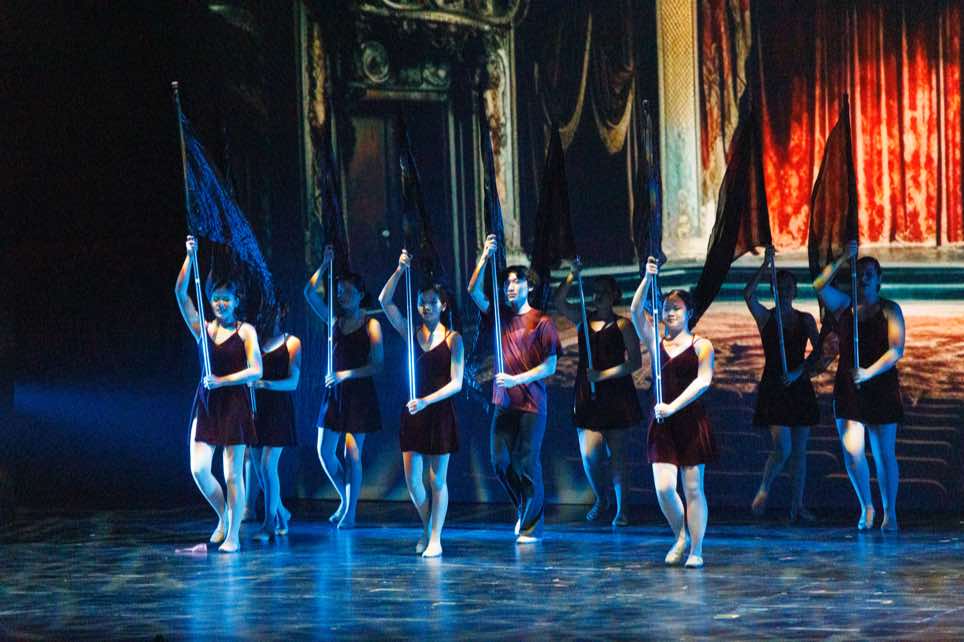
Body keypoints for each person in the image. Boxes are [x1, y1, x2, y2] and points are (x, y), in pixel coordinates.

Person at [468, 234, 560, 543]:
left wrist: (516, 380)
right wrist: (485, 256)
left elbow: (550, 367)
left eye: (516, 282)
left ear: (528, 286)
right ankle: (523, 504)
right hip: (504, 402)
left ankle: (533, 526)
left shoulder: (542, 322)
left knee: (526, 464)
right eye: (507, 282)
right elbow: (473, 292)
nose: (510, 286)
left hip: (532, 405)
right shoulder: (500, 316)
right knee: (500, 463)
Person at [175, 235, 263, 553]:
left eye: (226, 299)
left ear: (236, 301)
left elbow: (256, 370)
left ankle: (233, 535)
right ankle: (225, 515)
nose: (220, 303)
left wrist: (223, 380)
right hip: (207, 403)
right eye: (215, 298)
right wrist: (190, 257)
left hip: (234, 404)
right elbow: (180, 293)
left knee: (232, 475)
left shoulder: (246, 331)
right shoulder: (204, 329)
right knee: (199, 468)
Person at [630, 257, 717, 568]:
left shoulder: (702, 345)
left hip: (690, 422)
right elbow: (635, 312)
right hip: (662, 423)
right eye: (667, 308)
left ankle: (696, 549)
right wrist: (647, 277)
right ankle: (681, 534)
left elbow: (703, 381)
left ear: (689, 312)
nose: (670, 313)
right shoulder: (656, 341)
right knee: (665, 489)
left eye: (676, 308)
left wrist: (673, 406)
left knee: (693, 488)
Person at [814, 241, 905, 531]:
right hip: (849, 385)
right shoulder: (845, 306)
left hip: (880, 384)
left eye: (869, 274)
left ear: (878, 280)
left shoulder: (890, 309)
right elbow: (819, 284)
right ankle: (866, 506)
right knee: (853, 452)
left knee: (883, 453)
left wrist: (868, 373)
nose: (864, 278)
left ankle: (890, 512)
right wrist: (844, 257)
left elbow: (896, 350)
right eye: (860, 273)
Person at [379, 250, 464, 557]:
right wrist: (400, 270)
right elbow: (384, 301)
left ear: (443, 305)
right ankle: (427, 526)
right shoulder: (410, 332)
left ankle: (435, 537)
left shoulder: (453, 339)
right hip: (414, 412)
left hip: (438, 412)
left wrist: (427, 400)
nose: (426, 306)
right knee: (414, 482)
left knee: (436, 479)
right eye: (422, 301)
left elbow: (457, 383)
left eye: (432, 301)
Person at [554, 263, 642, 526]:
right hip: (588, 394)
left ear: (614, 295)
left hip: (616, 393)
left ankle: (622, 509)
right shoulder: (583, 318)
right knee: (590, 456)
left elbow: (635, 362)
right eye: (596, 291)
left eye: (604, 291)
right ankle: (601, 498)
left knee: (617, 456)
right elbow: (559, 301)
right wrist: (572, 275)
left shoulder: (623, 325)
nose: (599, 295)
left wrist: (603, 375)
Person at [305, 246, 384, 529]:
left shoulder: (371, 324)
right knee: (325, 452)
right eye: (339, 292)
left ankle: (350, 513)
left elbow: (377, 365)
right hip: (335, 394)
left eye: (348, 292)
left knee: (352, 455)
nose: (342, 296)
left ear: (361, 294)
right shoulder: (334, 321)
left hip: (358, 395)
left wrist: (344, 375)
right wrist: (325, 265)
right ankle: (345, 499)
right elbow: (309, 293)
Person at [744, 247, 820, 523]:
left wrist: (800, 371)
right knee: (783, 447)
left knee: (799, 452)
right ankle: (764, 488)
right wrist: (765, 265)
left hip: (798, 384)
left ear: (795, 291)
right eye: (780, 287)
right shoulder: (766, 318)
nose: (785, 291)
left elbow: (819, 353)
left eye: (789, 287)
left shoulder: (805, 319)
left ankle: (797, 506)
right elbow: (748, 295)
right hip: (775, 385)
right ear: (774, 290)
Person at [249, 299, 300, 541]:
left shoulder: (292, 342)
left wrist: (265, 383)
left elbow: (294, 382)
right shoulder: (255, 339)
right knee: (260, 471)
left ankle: (269, 524)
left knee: (268, 465)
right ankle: (281, 513)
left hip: (279, 410)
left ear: (282, 311)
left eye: (273, 309)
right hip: (256, 410)